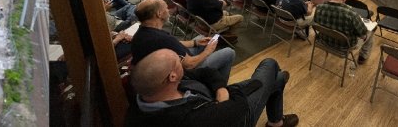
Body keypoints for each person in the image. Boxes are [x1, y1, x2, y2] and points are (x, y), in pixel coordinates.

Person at [125, 49, 299, 127]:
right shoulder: (190, 120)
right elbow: (239, 107)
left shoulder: (148, 95)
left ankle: (276, 120)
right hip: (237, 117)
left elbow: (206, 72)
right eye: (179, 60)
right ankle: (275, 85)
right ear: (172, 76)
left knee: (275, 80)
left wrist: (221, 90)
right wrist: (225, 97)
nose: (182, 60)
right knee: (270, 64)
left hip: (220, 101)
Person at [131, 0, 236, 82]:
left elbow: (173, 44)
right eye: (166, 8)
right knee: (229, 52)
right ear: (159, 13)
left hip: (171, 63)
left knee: (200, 38)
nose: (168, 11)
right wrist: (208, 51)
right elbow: (190, 65)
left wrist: (195, 43)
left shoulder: (141, 33)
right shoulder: (162, 39)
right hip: (186, 73)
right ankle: (219, 85)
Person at [313, 0, 374, 64]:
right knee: (370, 32)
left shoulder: (319, 8)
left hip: (323, 40)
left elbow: (316, 23)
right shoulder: (351, 13)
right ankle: (362, 57)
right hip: (344, 47)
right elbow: (362, 34)